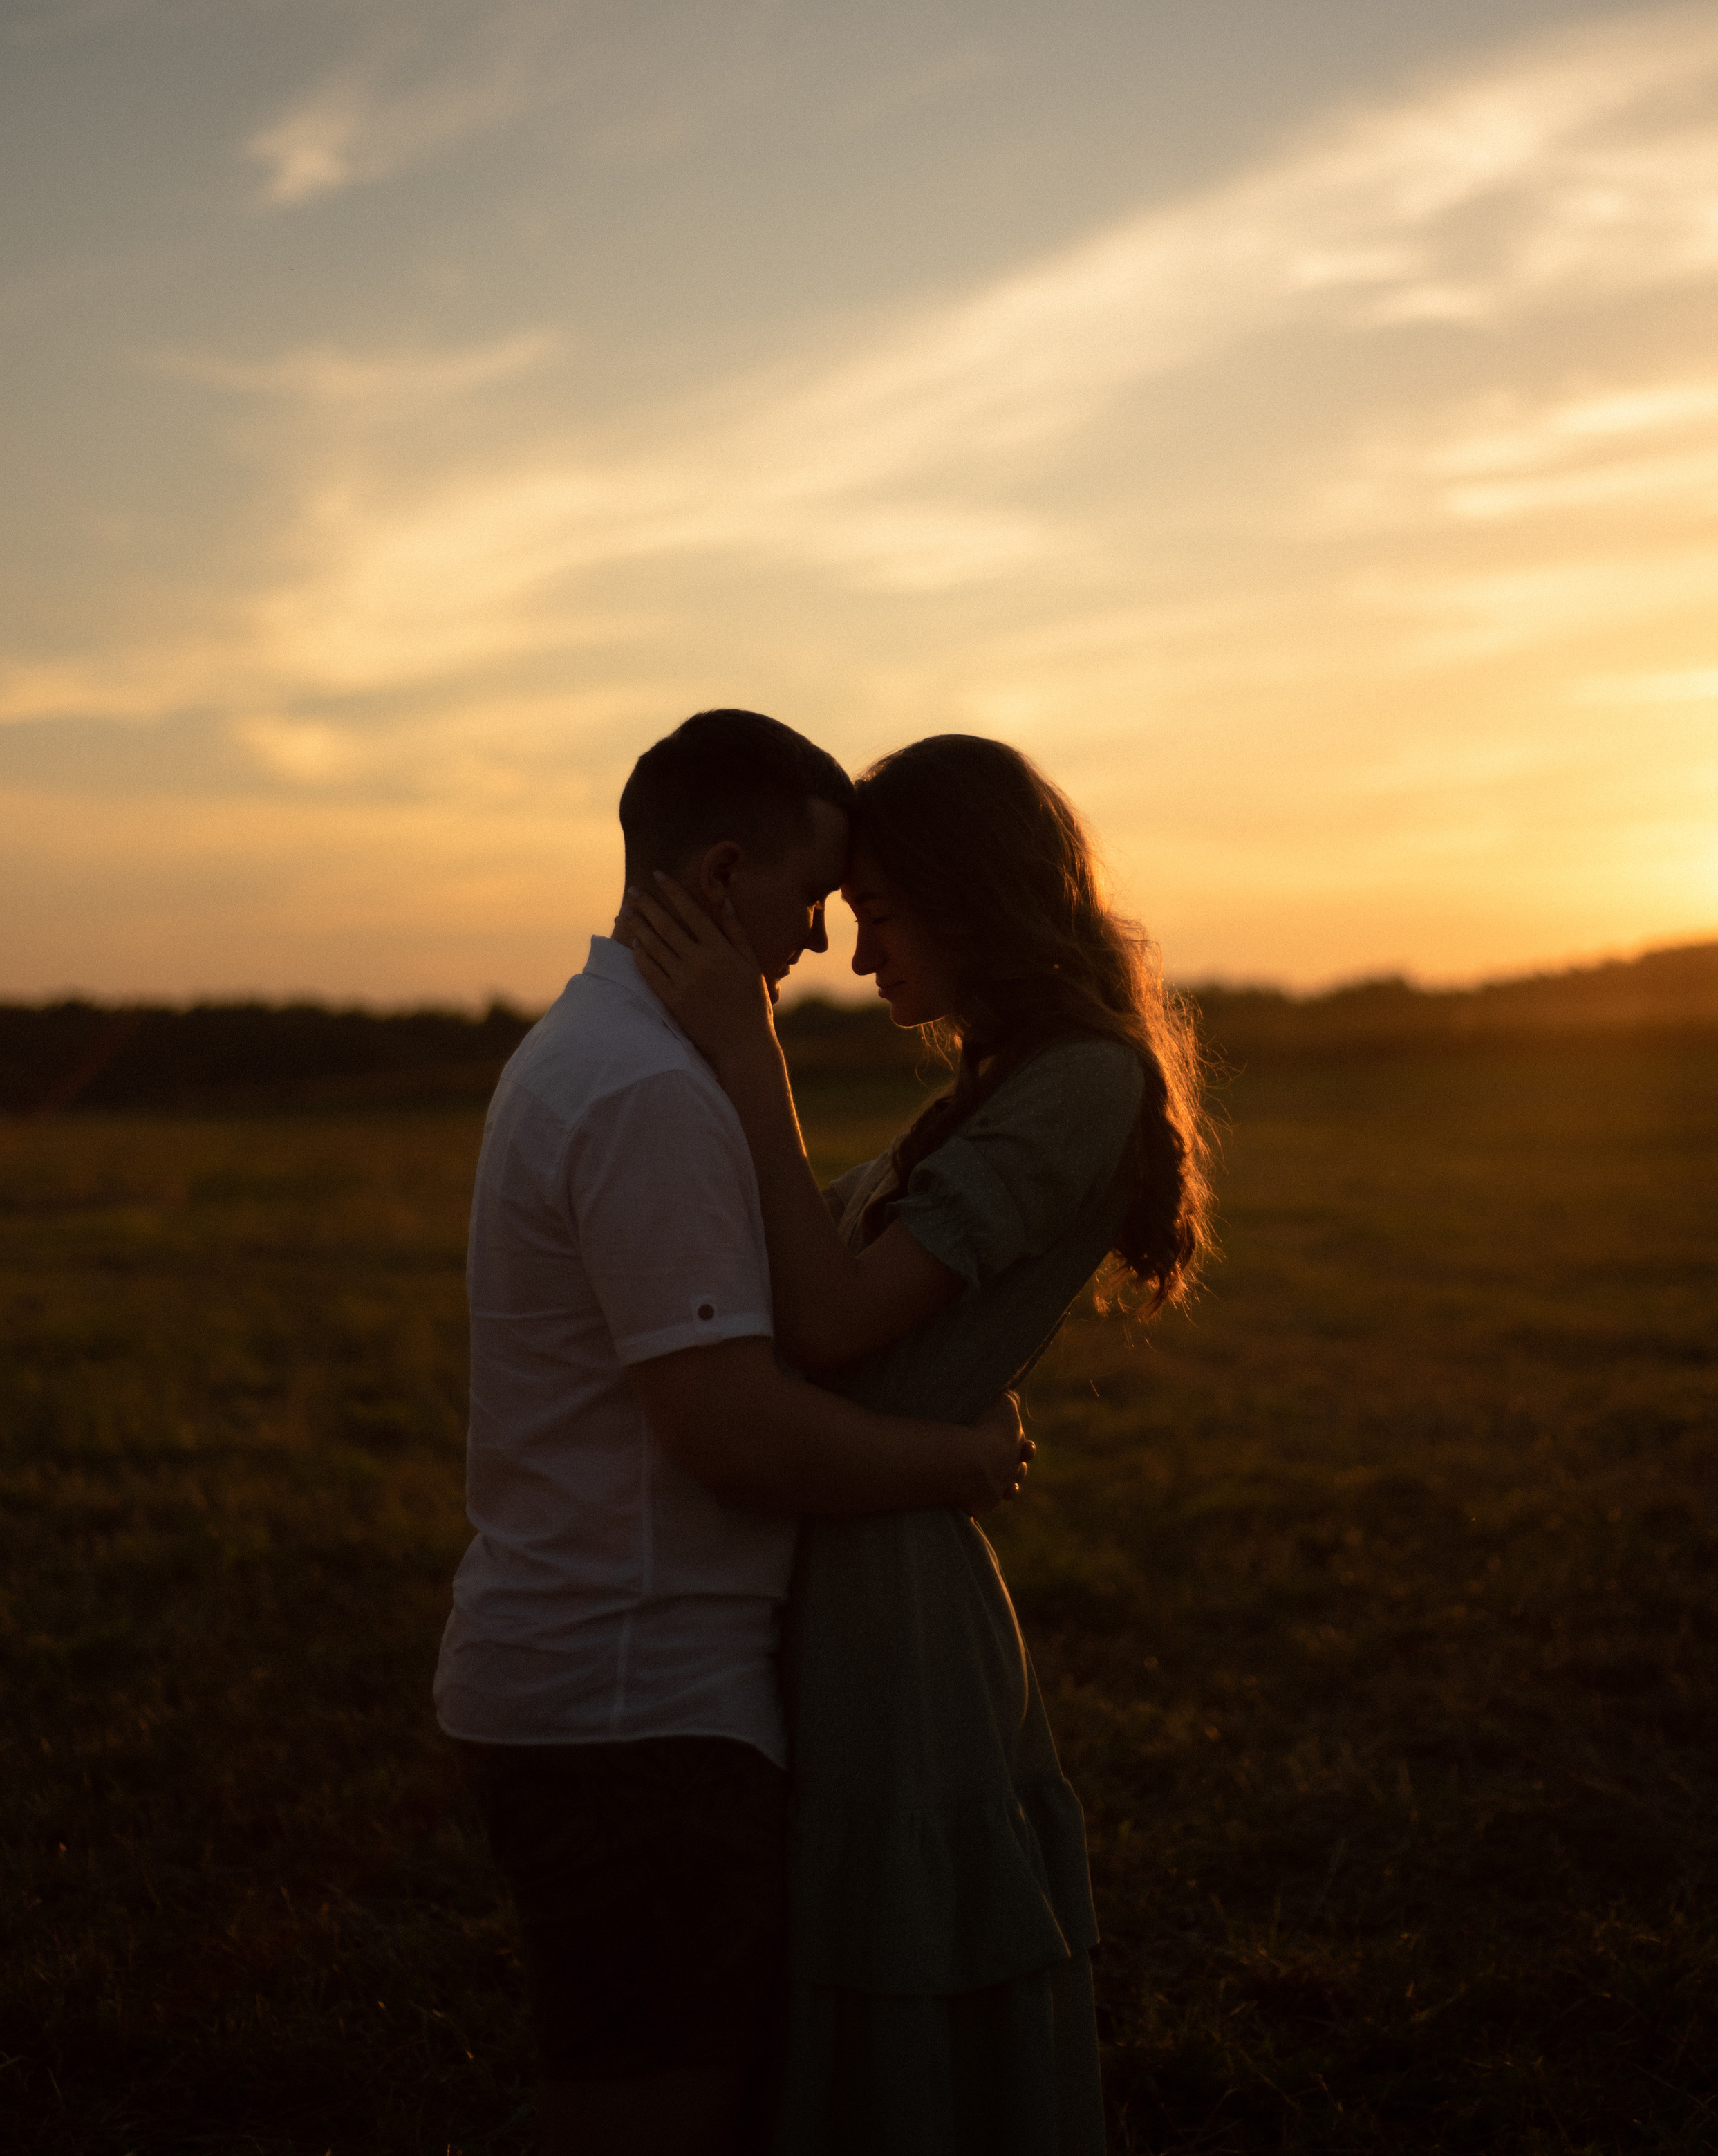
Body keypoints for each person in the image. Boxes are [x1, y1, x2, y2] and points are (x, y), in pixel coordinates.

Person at [434, 712, 1034, 2156]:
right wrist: (960, 1462)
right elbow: (731, 1431)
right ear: (719, 876)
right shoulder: (648, 1089)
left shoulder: (590, 1051)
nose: (823, 941)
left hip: (598, 1693)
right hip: (634, 1712)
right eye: (810, 897)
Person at [625, 732, 1213, 2156]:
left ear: (970, 897)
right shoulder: (993, 1086)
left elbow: (828, 1322)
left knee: (904, 1991)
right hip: (851, 1562)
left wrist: (747, 1050)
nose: (857, 952)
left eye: (880, 913)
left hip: (896, 1614)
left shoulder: (1082, 1082)